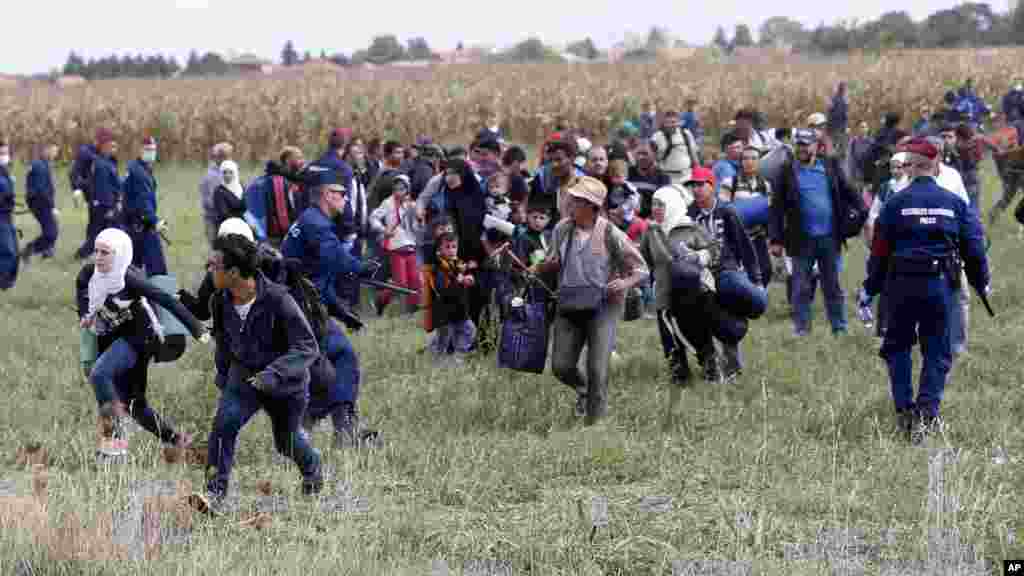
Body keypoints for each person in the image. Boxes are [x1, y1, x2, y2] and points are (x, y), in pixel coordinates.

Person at [863, 138, 990, 444]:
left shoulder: (894, 203)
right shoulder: (955, 203)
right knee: (937, 350)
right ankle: (928, 414)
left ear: (909, 167)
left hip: (901, 286)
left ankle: (905, 413)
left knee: (898, 347)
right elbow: (974, 248)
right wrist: (979, 279)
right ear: (934, 165)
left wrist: (871, 287)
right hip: (939, 286)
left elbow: (878, 253)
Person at [203, 233, 323, 505]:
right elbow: (223, 343)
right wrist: (224, 377)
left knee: (286, 441)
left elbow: (307, 346)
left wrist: (273, 375)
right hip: (243, 378)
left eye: (214, 266)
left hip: (286, 384)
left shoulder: (279, 300)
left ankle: (312, 468)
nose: (209, 271)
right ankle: (214, 493)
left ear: (234, 272)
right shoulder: (219, 301)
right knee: (224, 425)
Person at [76, 228, 206, 458]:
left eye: (105, 253)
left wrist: (196, 328)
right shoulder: (87, 275)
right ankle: (176, 440)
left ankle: (115, 445)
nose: (98, 257)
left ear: (120, 255)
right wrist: (85, 315)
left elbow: (165, 299)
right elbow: (83, 299)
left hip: (139, 339)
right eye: (96, 251)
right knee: (135, 405)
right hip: (109, 337)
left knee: (99, 375)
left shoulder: (130, 278)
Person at [531, 176, 649, 424]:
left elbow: (641, 269)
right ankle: (584, 392)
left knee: (598, 368)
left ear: (591, 206)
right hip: (569, 302)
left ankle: (594, 424)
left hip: (604, 306)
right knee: (561, 366)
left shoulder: (610, 233)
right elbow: (553, 261)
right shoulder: (562, 229)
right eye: (570, 199)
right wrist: (545, 267)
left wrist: (625, 282)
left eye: (575, 201)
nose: (569, 204)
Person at [281, 167, 371, 444]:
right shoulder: (316, 224)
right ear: (327, 195)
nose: (346, 199)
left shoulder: (310, 221)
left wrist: (342, 312)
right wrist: (360, 268)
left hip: (301, 307)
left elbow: (317, 280)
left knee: (322, 369)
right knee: (341, 358)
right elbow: (334, 258)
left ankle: (307, 429)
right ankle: (341, 430)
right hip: (300, 311)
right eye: (342, 194)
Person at [769, 129, 861, 336]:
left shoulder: (830, 166)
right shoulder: (786, 171)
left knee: (832, 287)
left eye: (806, 144)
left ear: (816, 146)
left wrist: (860, 215)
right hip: (801, 240)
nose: (802, 148)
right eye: (799, 144)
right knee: (800, 287)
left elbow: (849, 192)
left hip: (829, 238)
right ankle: (802, 329)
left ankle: (840, 328)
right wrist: (775, 239)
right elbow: (776, 208)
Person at [687, 167, 766, 380]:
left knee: (730, 319)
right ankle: (713, 366)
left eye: (701, 184)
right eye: (693, 185)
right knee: (712, 319)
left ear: (712, 187)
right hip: (701, 276)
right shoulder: (689, 214)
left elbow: (744, 245)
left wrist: (756, 278)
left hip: (727, 272)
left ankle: (733, 368)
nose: (696, 190)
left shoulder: (727, 211)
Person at [641, 186, 721, 385]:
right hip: (663, 292)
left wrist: (700, 256)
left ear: (673, 205)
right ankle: (679, 371)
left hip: (692, 292)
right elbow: (645, 259)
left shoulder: (690, 228)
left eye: (661, 204)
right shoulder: (651, 231)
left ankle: (709, 364)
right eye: (653, 204)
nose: (655, 208)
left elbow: (714, 249)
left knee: (696, 330)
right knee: (669, 335)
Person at [369, 174, 421, 315]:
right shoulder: (388, 203)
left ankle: (413, 310)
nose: (399, 192)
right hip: (396, 247)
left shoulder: (412, 204)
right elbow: (373, 217)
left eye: (402, 188)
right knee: (401, 284)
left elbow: (417, 226)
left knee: (415, 281)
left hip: (411, 246)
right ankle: (380, 301)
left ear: (407, 189)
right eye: (396, 189)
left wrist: (419, 220)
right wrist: (383, 229)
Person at [426, 233, 477, 361]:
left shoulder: (457, 263)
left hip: (459, 311)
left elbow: (462, 276)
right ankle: (435, 359)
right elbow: (443, 290)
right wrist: (459, 280)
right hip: (445, 314)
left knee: (470, 330)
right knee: (443, 341)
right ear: (439, 250)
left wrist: (469, 278)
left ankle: (458, 356)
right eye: (447, 247)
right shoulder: (439, 268)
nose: (451, 250)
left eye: (454, 247)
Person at [122, 137, 167, 277]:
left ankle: (129, 295)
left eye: (153, 150)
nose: (151, 153)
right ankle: (164, 296)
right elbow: (143, 201)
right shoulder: (139, 173)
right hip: (143, 225)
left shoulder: (136, 168)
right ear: (140, 150)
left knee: (132, 266)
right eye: (147, 150)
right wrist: (155, 221)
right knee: (157, 266)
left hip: (132, 224)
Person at [21, 143, 60, 263]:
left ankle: (46, 251)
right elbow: (40, 190)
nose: (55, 154)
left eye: (56, 152)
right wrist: (51, 206)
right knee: (51, 233)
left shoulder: (44, 164)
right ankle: (28, 251)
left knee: (52, 230)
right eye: (52, 151)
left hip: (42, 202)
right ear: (45, 150)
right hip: (39, 203)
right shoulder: (39, 166)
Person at [72, 129, 104, 259]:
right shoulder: (85, 153)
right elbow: (74, 172)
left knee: (96, 224)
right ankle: (85, 252)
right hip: (92, 194)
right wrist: (77, 189)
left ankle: (88, 250)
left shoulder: (102, 154)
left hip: (102, 193)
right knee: (96, 224)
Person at [651, 109, 700, 186]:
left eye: (673, 122)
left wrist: (698, 172)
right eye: (667, 122)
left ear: (678, 122)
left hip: (686, 176)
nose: (670, 125)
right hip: (667, 177)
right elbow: (651, 156)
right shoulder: (657, 137)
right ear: (663, 123)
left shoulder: (686, 134)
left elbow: (694, 154)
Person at [200, 143, 234, 245]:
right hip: (214, 220)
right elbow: (209, 201)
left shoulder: (230, 172)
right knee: (217, 249)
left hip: (227, 219)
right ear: (217, 158)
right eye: (225, 157)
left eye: (228, 156)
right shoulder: (212, 177)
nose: (229, 159)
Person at [0, 141, 17, 290]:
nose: (5, 156)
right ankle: (4, 283)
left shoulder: (5, 171)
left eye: (6, 153)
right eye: (2, 153)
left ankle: (8, 283)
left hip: (7, 215)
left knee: (13, 251)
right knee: (8, 251)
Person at [210, 160, 246, 228]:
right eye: (224, 172)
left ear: (235, 173)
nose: (227, 175)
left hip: (244, 224)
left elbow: (247, 206)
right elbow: (224, 214)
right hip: (226, 226)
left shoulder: (242, 187)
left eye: (230, 172)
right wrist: (242, 220)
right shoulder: (219, 191)